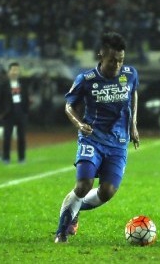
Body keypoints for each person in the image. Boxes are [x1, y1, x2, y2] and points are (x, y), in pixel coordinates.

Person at [54, 32, 140, 243]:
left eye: (121, 61)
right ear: (101, 56)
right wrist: (80, 124)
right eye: (113, 61)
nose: (117, 65)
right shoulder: (86, 79)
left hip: (118, 143)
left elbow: (134, 94)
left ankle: (74, 208)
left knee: (108, 191)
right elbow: (69, 106)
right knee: (84, 185)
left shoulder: (130, 74)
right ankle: (62, 232)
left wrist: (133, 125)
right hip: (92, 139)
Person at [0, 62, 29, 164]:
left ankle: (21, 158)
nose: (15, 72)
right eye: (13, 70)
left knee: (21, 137)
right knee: (7, 137)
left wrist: (25, 112)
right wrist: (0, 114)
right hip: (8, 114)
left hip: (21, 113)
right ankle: (6, 158)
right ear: (8, 72)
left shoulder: (23, 85)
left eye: (16, 70)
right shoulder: (3, 86)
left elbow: (26, 99)